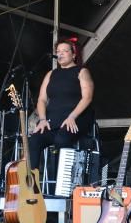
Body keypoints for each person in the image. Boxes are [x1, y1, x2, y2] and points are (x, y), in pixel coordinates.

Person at [27, 40, 95, 182]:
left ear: (74, 54)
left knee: (62, 139)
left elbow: (87, 97)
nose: (60, 54)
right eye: (58, 52)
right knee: (34, 140)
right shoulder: (51, 74)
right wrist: (43, 119)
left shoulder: (82, 72)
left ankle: (63, 184)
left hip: (76, 119)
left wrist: (72, 116)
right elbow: (41, 100)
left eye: (64, 51)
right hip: (53, 121)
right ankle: (31, 185)